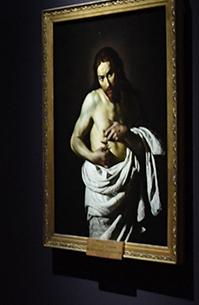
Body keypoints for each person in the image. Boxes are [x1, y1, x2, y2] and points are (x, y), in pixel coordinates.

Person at [69, 46, 164, 240]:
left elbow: (144, 148)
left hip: (127, 187)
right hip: (101, 189)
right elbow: (74, 140)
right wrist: (92, 156)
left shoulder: (132, 101)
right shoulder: (93, 100)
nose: (107, 83)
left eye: (110, 74)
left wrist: (126, 133)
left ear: (118, 70)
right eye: (101, 78)